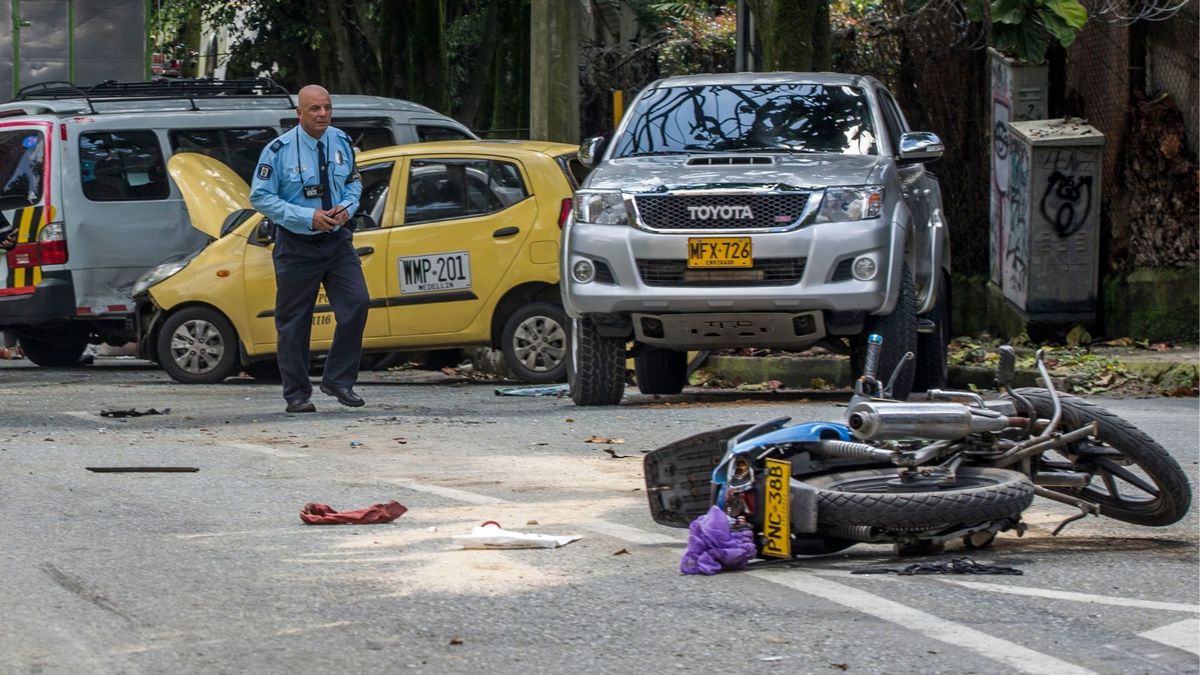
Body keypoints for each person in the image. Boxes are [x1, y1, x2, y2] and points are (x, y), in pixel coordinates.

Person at [250, 84, 368, 413]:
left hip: (337, 240)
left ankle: (338, 380)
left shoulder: (341, 141)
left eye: (327, 107)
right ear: (299, 113)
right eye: (315, 108)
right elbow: (260, 197)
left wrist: (347, 207)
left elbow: (354, 182)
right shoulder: (278, 150)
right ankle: (297, 394)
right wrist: (307, 216)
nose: (323, 114)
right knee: (294, 323)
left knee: (357, 302)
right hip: (297, 243)